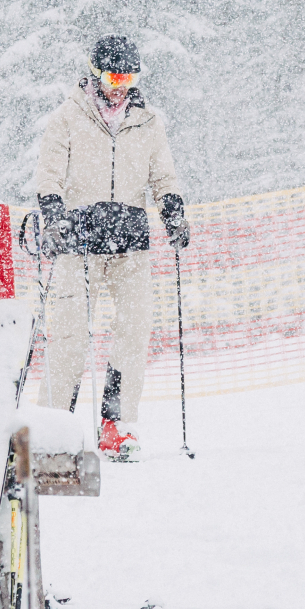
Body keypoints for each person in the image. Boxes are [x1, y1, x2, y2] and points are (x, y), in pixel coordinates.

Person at [31, 34, 189, 458]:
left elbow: (163, 177)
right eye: (112, 76)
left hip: (130, 244)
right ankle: (53, 429)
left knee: (136, 328)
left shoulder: (148, 121)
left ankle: (116, 423)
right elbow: (49, 176)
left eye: (127, 77)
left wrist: (172, 210)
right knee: (69, 336)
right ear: (95, 73)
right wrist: (54, 214)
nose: (119, 85)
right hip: (80, 242)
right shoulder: (68, 117)